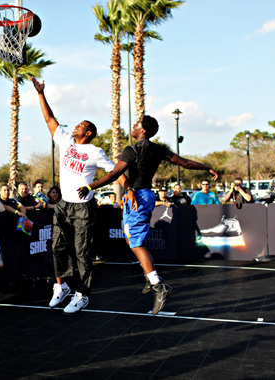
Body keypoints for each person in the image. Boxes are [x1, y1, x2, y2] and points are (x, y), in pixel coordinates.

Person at [77, 115, 218, 315]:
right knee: (131, 240)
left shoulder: (132, 150)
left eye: (136, 124)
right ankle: (148, 275)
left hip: (138, 199)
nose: (133, 126)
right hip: (142, 196)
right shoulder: (157, 149)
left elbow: (114, 174)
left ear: (143, 131)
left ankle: (159, 285)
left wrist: (91, 185)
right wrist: (206, 167)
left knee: (135, 243)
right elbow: (185, 163)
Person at [31, 76, 128, 314]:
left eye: (80, 125)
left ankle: (82, 295)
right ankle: (61, 287)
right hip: (64, 205)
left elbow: (116, 171)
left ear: (89, 132)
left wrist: (130, 189)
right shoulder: (66, 141)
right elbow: (49, 119)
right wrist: (41, 93)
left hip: (83, 208)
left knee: (82, 252)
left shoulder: (95, 152)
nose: (75, 126)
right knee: (57, 247)